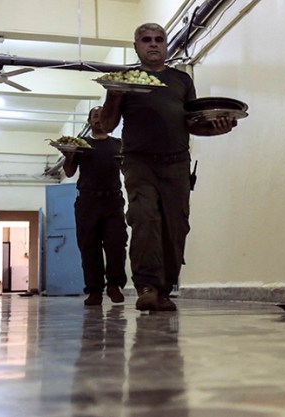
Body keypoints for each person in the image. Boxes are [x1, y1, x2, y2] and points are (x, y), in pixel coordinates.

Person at [100, 22, 236, 312]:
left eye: (159, 39)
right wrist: (114, 95)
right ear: (136, 47)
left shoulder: (181, 80)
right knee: (144, 218)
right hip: (139, 162)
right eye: (146, 40)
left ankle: (165, 289)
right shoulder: (125, 80)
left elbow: (192, 123)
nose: (153, 44)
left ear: (165, 45)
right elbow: (109, 125)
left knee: (176, 226)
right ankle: (147, 287)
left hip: (176, 163)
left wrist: (217, 129)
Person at [63, 106, 128, 306]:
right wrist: (69, 155)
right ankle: (94, 291)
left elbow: (128, 170)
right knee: (89, 247)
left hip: (113, 201)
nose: (99, 119)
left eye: (103, 115)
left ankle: (114, 285)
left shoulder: (118, 145)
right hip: (87, 202)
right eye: (95, 116)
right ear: (89, 121)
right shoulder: (81, 145)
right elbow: (69, 172)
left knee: (116, 245)